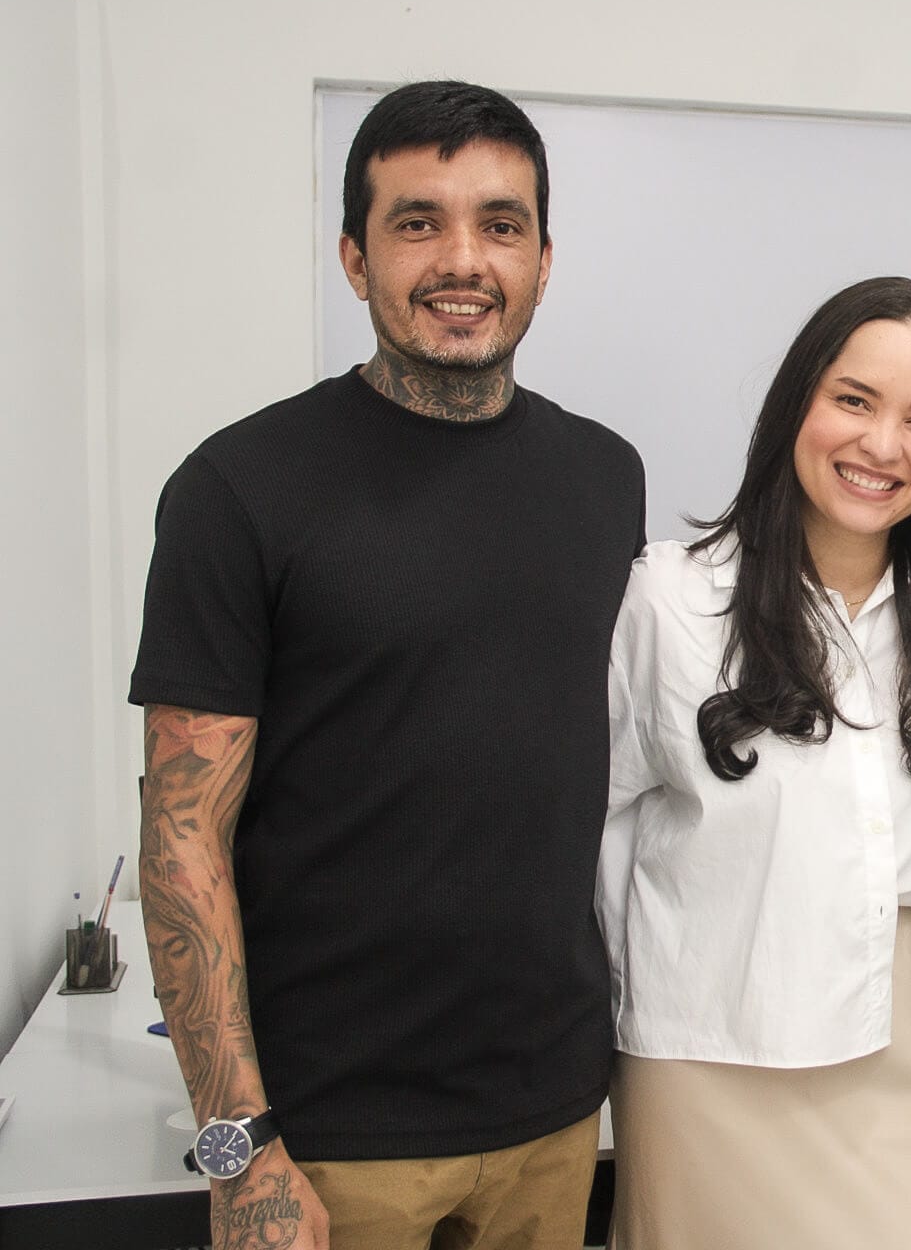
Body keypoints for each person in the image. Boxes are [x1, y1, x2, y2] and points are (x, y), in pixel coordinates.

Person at [131, 81, 645, 1250]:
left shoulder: (606, 476)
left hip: (555, 1112)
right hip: (326, 1135)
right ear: (355, 258)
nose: (463, 259)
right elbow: (180, 838)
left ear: (545, 260)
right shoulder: (238, 487)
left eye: (500, 224)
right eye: (419, 221)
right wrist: (236, 1146)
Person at [599, 275, 911, 1250]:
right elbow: (595, 829)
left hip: (910, 1039)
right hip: (706, 1047)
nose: (883, 445)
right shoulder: (668, 598)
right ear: (798, 402)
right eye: (854, 400)